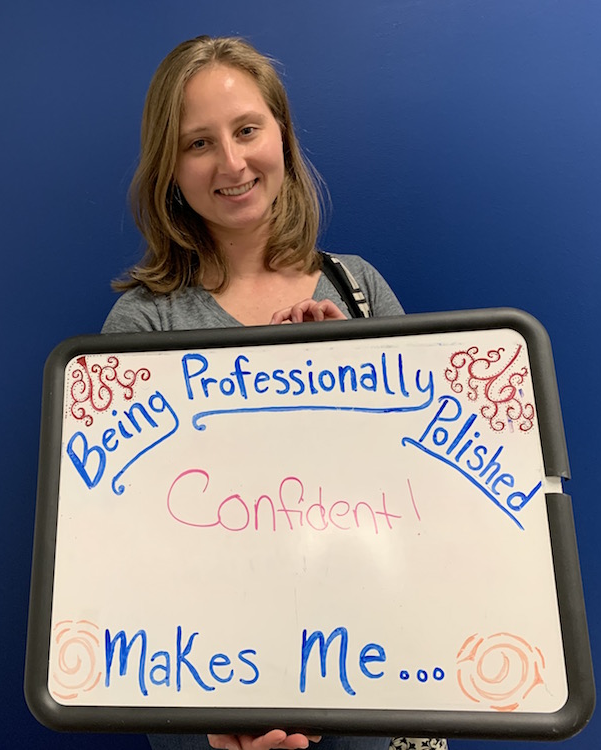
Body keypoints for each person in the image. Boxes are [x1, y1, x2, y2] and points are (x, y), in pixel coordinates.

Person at [102, 35, 445, 750]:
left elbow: (429, 493)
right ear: (170, 168)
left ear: (281, 136)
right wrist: (214, 722)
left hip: (377, 677)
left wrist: (345, 379)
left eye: (247, 130)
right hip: (207, 689)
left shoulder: (357, 291)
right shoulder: (144, 321)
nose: (231, 162)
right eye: (198, 142)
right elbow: (121, 540)